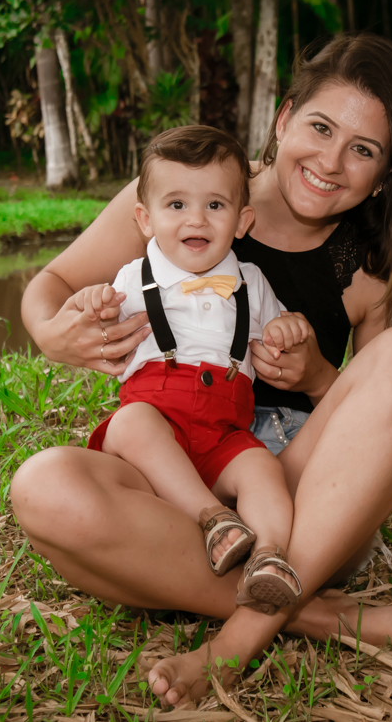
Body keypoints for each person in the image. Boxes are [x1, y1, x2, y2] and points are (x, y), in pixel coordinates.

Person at [12, 32, 392, 707]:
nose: (330, 161)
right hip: (168, 483)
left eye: (363, 150)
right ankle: (321, 614)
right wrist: (53, 334)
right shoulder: (181, 188)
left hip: (290, 497)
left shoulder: (370, 267)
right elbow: (51, 282)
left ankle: (235, 640)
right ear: (285, 117)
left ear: (383, 174)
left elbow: (383, 437)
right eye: (320, 127)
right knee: (43, 486)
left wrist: (320, 376)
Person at [88, 125, 305, 614]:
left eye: (215, 205)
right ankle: (213, 519)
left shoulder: (250, 280)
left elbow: (277, 333)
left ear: (242, 220)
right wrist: (95, 306)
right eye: (177, 205)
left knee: (263, 469)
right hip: (157, 421)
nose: (197, 220)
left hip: (225, 430)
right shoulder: (133, 277)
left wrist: (290, 329)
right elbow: (98, 324)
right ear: (145, 219)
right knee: (131, 423)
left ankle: (271, 556)